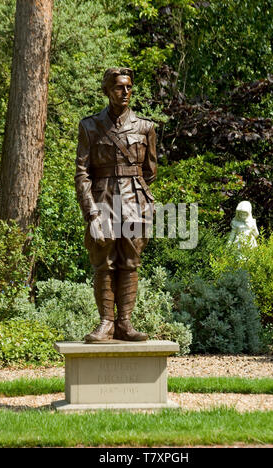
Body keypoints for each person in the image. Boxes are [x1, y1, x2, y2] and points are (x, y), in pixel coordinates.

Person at [75, 67, 157, 342]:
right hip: (102, 200)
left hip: (135, 201)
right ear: (107, 91)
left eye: (129, 87)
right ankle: (106, 323)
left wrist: (137, 196)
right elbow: (82, 173)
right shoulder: (89, 126)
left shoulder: (146, 127)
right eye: (119, 87)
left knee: (131, 262)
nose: (125, 92)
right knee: (104, 263)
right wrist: (91, 212)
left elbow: (150, 171)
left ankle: (125, 324)